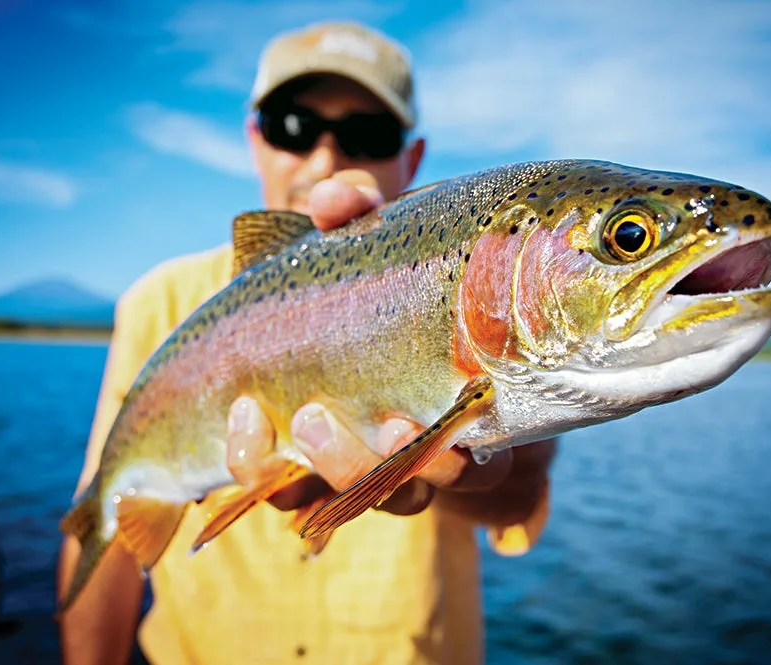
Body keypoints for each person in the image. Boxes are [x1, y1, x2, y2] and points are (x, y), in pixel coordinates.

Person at [57, 21, 557, 665]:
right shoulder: (158, 304)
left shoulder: (470, 288)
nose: (326, 160)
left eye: (366, 134)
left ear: (414, 156)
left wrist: (498, 457)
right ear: (255, 138)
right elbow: (110, 518)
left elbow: (517, 502)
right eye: (294, 127)